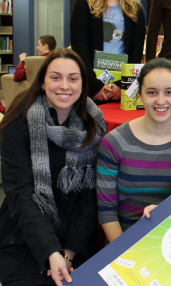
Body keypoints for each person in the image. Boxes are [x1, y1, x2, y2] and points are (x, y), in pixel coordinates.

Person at [0, 48, 106, 286]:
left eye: (73, 78)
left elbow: (90, 195)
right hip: (25, 235)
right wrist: (51, 252)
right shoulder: (18, 121)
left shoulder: (94, 123)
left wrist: (68, 253)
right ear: (42, 83)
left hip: (76, 239)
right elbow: (21, 195)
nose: (64, 86)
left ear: (82, 84)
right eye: (55, 77)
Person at [96, 58, 171, 243]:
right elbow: (107, 211)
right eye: (152, 92)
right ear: (140, 94)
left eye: (169, 92)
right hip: (123, 244)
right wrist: (123, 253)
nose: (160, 101)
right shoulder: (114, 143)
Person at [71, 0, 146, 103]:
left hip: (121, 88)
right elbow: (80, 48)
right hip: (92, 86)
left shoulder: (135, 9)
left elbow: (136, 52)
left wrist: (122, 84)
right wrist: (94, 85)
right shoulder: (84, 4)